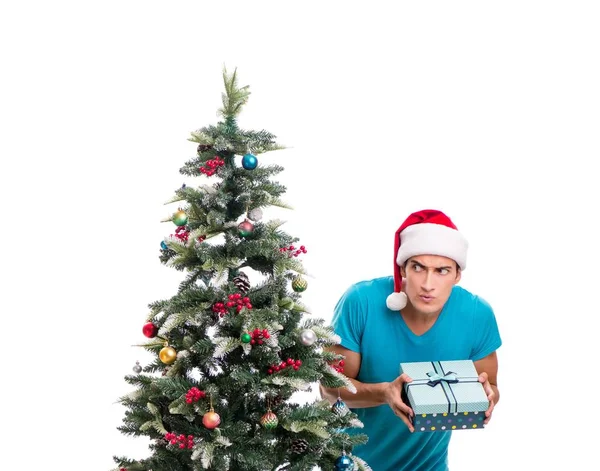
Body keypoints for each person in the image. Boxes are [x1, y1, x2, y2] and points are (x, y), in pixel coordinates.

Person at [320, 209, 502, 471]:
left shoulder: (476, 314)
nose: (428, 284)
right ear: (403, 268)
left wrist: (487, 396)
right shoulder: (361, 301)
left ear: (457, 274)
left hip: (429, 465)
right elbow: (329, 389)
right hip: (350, 463)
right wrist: (384, 393)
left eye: (442, 270)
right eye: (418, 268)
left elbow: (492, 386)